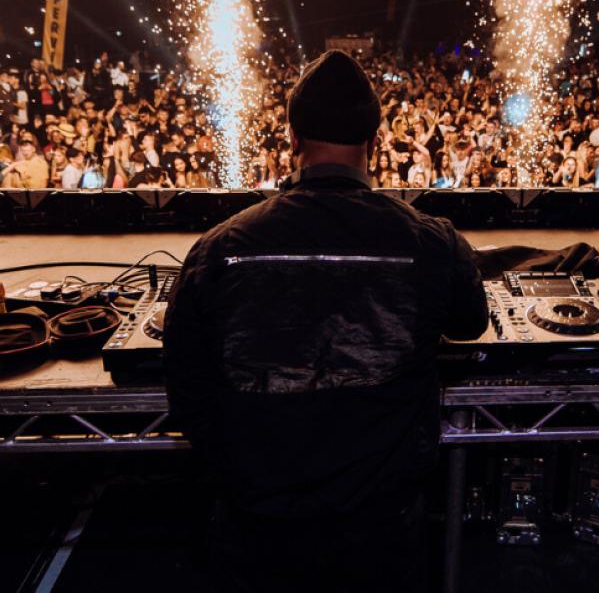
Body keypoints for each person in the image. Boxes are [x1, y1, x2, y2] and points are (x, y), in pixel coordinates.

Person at [164, 50, 487, 593]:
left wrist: (245, 470)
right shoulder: (430, 243)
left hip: (256, 528)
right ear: (375, 143)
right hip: (382, 528)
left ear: (293, 139)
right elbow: (470, 324)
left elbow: (186, 389)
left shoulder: (220, 250)